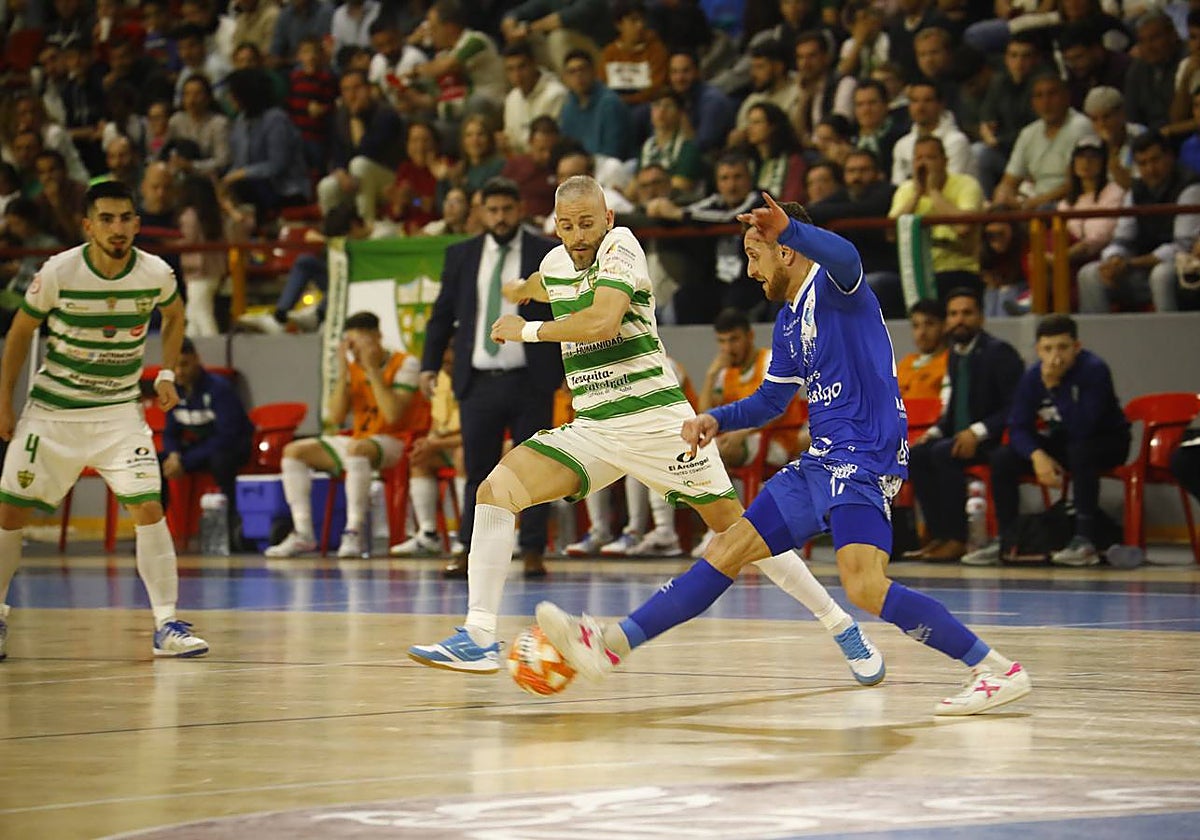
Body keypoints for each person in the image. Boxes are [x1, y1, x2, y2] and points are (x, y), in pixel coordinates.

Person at [534, 192, 1031, 716]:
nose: (751, 271)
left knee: (864, 586)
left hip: (863, 459)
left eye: (755, 254)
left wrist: (788, 227)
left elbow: (847, 255)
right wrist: (716, 419)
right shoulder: (790, 322)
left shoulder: (839, 287)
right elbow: (772, 400)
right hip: (820, 462)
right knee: (726, 550)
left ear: (786, 250)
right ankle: (610, 646)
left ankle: (997, 670)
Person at [408, 177, 889, 692]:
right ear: (555, 227)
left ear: (608, 219)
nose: (578, 235)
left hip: (658, 424)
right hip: (594, 425)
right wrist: (525, 290)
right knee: (494, 491)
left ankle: (841, 625)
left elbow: (602, 323)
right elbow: (547, 284)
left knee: (745, 535)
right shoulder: (553, 263)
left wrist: (525, 327)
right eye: (566, 226)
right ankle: (479, 635)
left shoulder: (623, 246)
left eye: (587, 222)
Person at [0, 180, 209, 659]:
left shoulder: (155, 271)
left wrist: (166, 372)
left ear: (137, 222)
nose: (118, 229)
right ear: (88, 225)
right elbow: (19, 333)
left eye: (126, 218)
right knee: (10, 513)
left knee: (149, 509)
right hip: (53, 414)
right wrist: (4, 403)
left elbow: (175, 316)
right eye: (107, 219)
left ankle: (167, 624)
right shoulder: (60, 271)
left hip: (118, 414)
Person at [418, 177, 560, 579]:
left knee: (535, 468)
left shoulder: (544, 252)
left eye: (507, 210)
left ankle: (532, 549)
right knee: (477, 471)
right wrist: (430, 364)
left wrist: (569, 369)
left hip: (530, 377)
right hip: (478, 378)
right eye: (492, 210)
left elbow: (560, 314)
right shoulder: (462, 255)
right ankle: (470, 550)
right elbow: (443, 314)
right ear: (481, 212)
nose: (500, 218)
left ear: (519, 210)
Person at [963, 315, 1130, 568]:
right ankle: (1007, 538)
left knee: (1080, 450)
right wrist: (1037, 455)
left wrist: (1055, 388)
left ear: (1077, 347)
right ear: (1038, 350)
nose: (1055, 357)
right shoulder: (1032, 377)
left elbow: (1083, 427)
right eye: (1048, 349)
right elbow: (1018, 425)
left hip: (1106, 441)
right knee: (1003, 457)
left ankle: (1084, 540)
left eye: (1063, 347)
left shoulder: (1094, 370)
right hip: (1063, 441)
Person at [265, 311, 426, 559]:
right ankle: (304, 533)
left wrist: (372, 371)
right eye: (351, 342)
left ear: (377, 337)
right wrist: (343, 372)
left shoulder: (406, 364)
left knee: (356, 450)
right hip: (362, 438)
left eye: (361, 340)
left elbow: (393, 414)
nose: (356, 348)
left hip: (400, 440)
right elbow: (336, 417)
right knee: (294, 451)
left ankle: (353, 530)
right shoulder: (352, 368)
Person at [906, 287, 1024, 561]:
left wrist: (978, 431)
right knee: (919, 453)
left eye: (967, 313)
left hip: (995, 440)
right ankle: (940, 535)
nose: (959, 320)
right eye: (953, 314)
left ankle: (957, 538)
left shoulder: (999, 353)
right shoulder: (957, 355)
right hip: (961, 438)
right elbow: (955, 408)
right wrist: (934, 431)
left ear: (981, 317)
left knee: (941, 453)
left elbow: (1015, 407)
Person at [1077, 131, 1200, 313]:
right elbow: (1121, 239)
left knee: (1161, 275)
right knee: (1089, 274)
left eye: (1155, 160)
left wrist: (1131, 264)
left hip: (1183, 269)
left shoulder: (1191, 187)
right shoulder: (1135, 191)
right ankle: (1098, 340)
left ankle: (1168, 338)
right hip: (1140, 266)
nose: (1150, 169)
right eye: (1143, 163)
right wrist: (1115, 260)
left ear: (1170, 157)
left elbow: (1183, 247)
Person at [160, 339, 255, 549]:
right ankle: (155, 531)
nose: (179, 372)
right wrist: (174, 455)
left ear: (196, 360)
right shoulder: (172, 392)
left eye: (184, 364)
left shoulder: (220, 389)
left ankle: (232, 531)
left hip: (234, 447)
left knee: (221, 460)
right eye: (174, 366)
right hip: (200, 449)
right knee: (156, 462)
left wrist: (185, 460)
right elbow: (170, 434)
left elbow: (227, 436)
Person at [389, 348, 466, 556]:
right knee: (420, 458)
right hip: (447, 444)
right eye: (444, 354)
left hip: (480, 447)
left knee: (463, 456)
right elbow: (438, 426)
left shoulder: (477, 381)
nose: (446, 357)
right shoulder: (440, 381)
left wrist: (435, 444)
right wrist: (428, 442)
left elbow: (477, 434)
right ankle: (428, 534)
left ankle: (468, 534)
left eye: (451, 351)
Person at [887, 136, 985, 299]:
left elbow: (964, 228)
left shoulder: (967, 184)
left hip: (959, 270)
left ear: (945, 161)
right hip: (914, 273)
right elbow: (890, 233)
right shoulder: (906, 190)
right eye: (919, 158)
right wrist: (917, 195)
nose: (923, 164)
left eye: (930, 158)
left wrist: (933, 192)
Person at [897, 298, 948, 401]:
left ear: (944, 326)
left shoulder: (951, 363)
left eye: (929, 324)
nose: (922, 332)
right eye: (916, 326)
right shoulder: (906, 363)